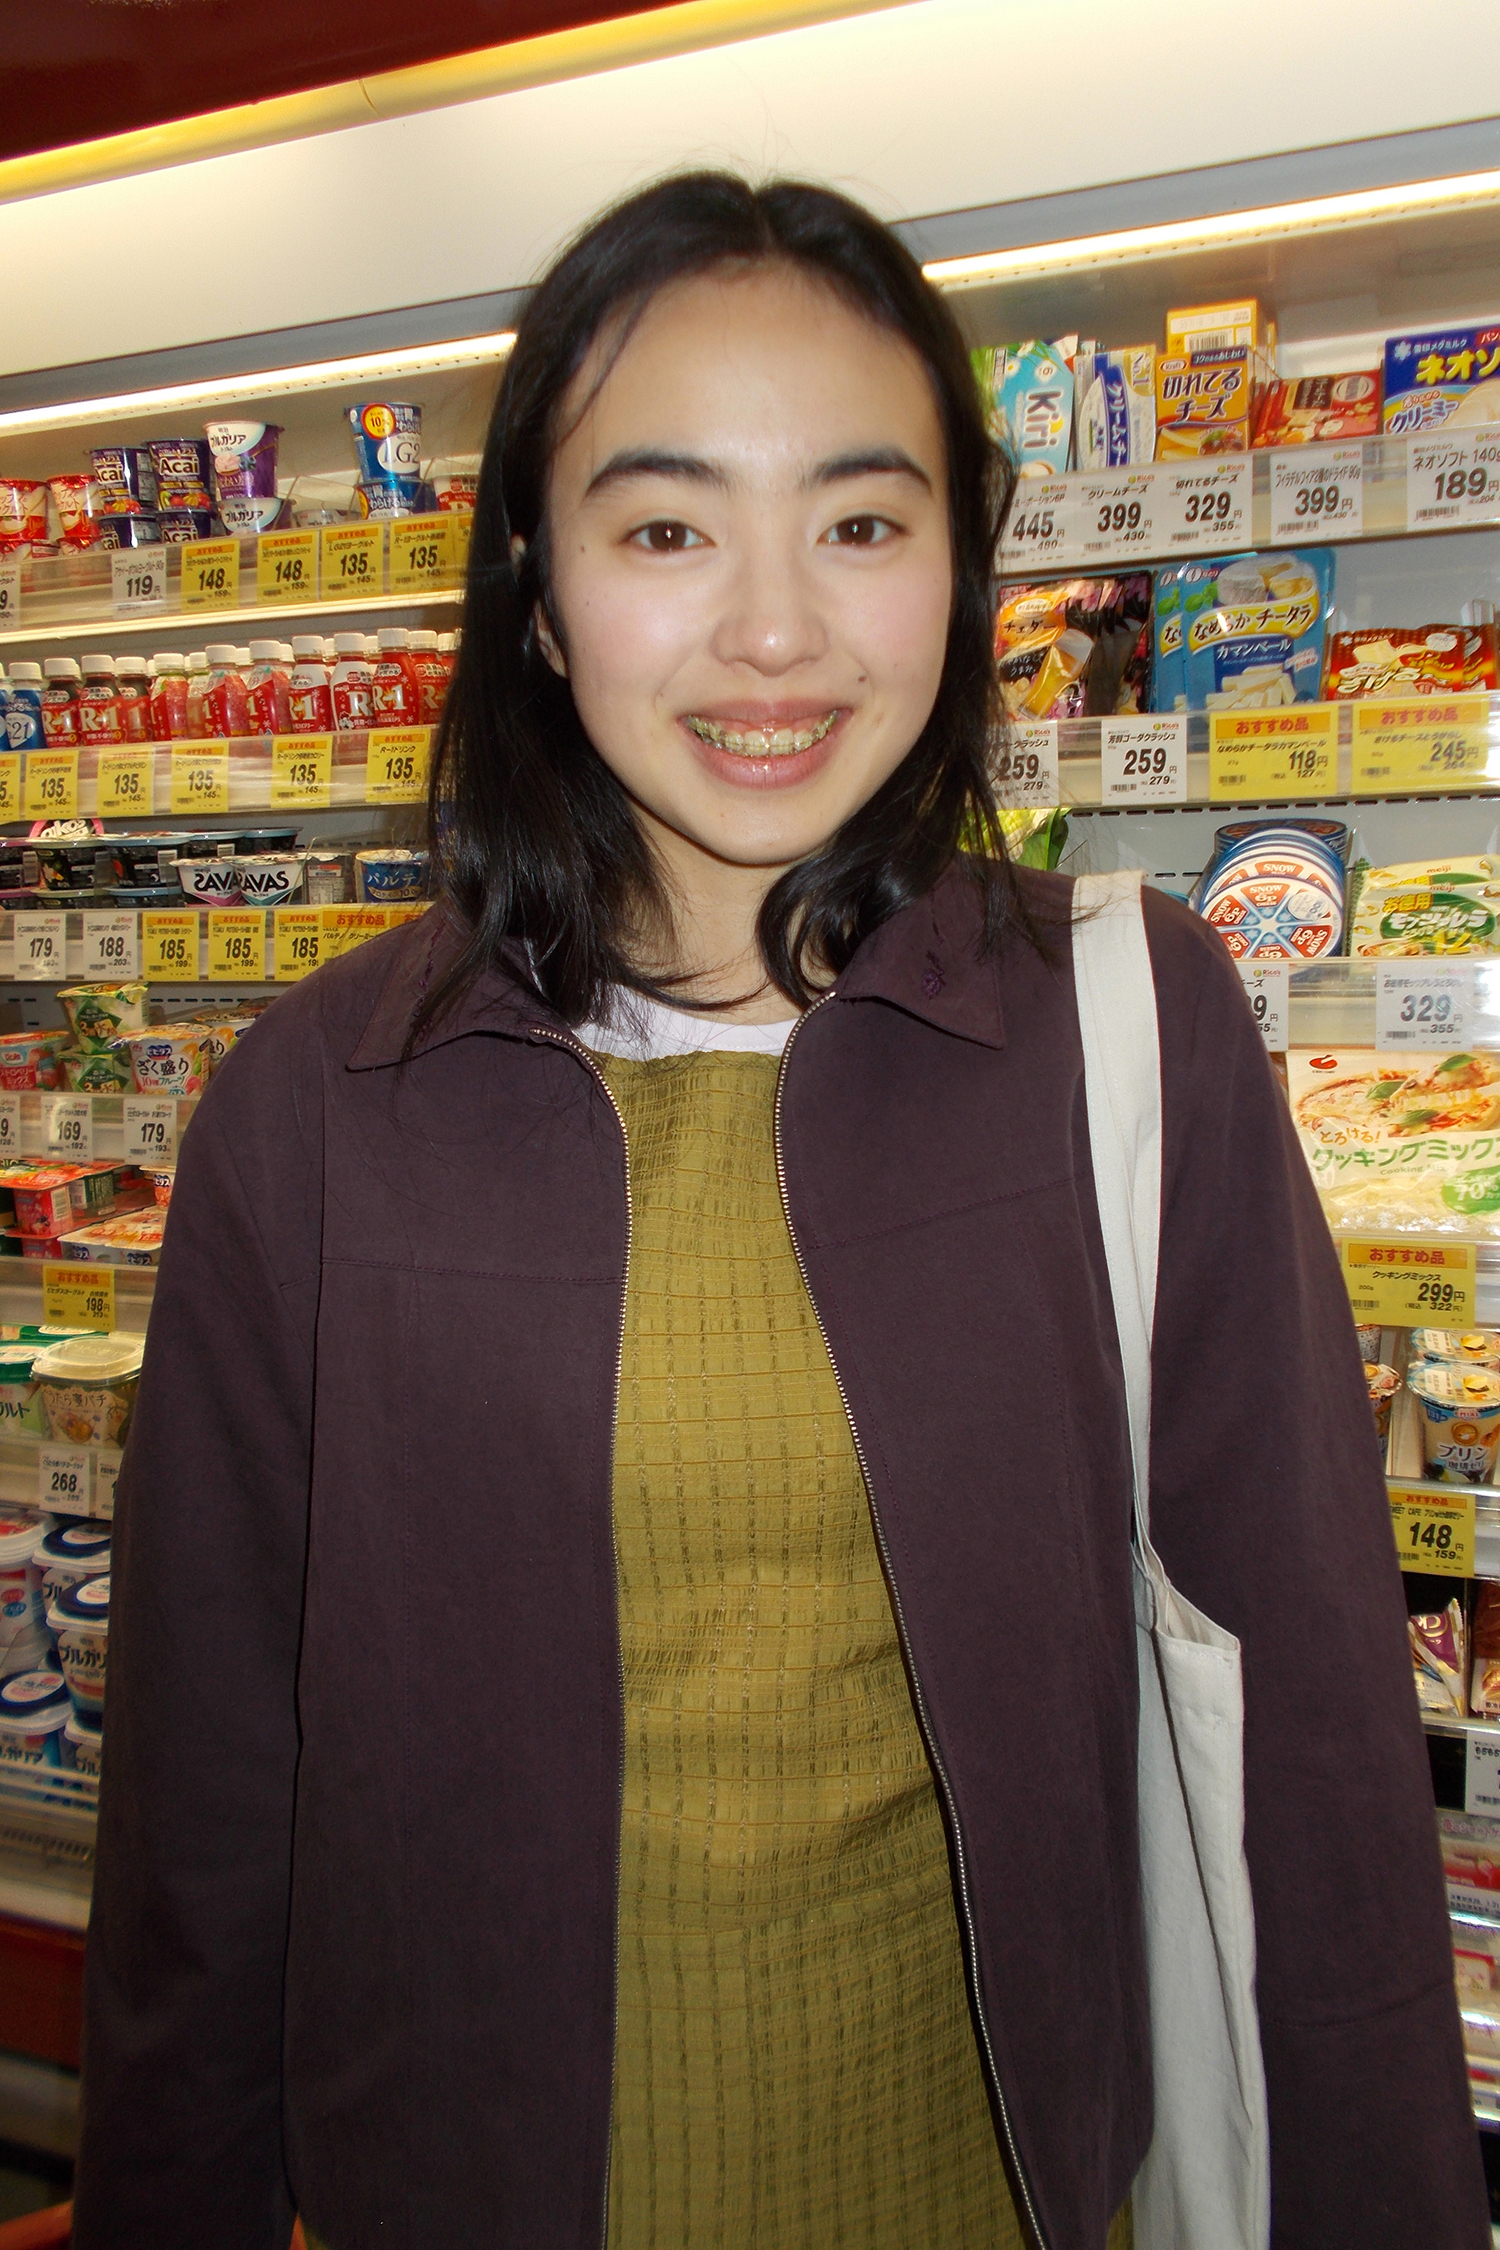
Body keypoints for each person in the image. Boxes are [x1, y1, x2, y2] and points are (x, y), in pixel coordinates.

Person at [73, 172, 1485, 2250]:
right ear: (536, 592)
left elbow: (1316, 1752)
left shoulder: (1129, 1028)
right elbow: (204, 1831)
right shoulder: (317, 1106)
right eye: (666, 529)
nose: (772, 630)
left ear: (961, 569)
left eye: (861, 523)